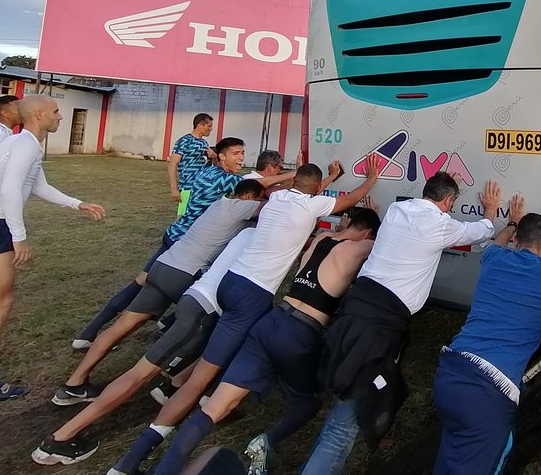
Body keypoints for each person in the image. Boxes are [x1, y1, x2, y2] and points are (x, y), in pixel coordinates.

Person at [108, 158, 381, 475]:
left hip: (231, 284)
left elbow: (309, 194)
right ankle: (146, 439)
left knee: (218, 371)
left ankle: (138, 450)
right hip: (256, 296)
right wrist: (371, 179)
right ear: (318, 191)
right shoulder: (316, 211)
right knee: (200, 382)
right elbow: (348, 200)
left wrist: (326, 179)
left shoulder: (279, 197)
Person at [300, 173, 503, 475]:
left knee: (348, 393)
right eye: (451, 202)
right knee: (342, 425)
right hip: (380, 326)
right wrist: (491, 209)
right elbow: (480, 231)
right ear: (448, 201)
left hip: (355, 307)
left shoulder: (396, 210)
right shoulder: (440, 225)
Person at [32, 226, 257, 466]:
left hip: (192, 297)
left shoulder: (245, 233)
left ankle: (172, 385)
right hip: (202, 313)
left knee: (186, 353)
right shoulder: (267, 243)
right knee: (138, 375)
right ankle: (61, 438)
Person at [53, 179, 265, 405]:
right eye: (260, 198)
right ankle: (173, 385)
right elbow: (275, 206)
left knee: (121, 326)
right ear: (249, 197)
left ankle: (73, 384)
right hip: (184, 274)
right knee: (208, 328)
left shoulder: (219, 204)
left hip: (163, 265)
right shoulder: (241, 207)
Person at [74, 138, 294, 350]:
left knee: (144, 284)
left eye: (242, 153)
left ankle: (94, 333)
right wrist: (295, 175)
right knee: (201, 290)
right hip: (186, 242)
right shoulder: (222, 178)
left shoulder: (208, 171)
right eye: (236, 153)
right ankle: (100, 333)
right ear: (221, 156)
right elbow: (258, 185)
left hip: (178, 233)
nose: (241, 158)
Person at [432, 195, 541, 475]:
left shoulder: (494, 257)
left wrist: (511, 223)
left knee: (453, 453)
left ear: (516, 242)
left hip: (451, 373)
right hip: (489, 390)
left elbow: (497, 242)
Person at [0, 94, 105, 403]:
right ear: (38, 114)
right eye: (56, 111)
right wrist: (18, 236)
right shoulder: (24, 145)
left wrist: (77, 204)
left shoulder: (22, 142)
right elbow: (10, 189)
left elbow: (38, 186)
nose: (60, 117)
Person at [169, 113, 214, 216]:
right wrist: (174, 189)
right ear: (200, 126)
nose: (211, 129)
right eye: (209, 126)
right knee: (183, 217)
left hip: (201, 187)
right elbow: (172, 164)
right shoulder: (184, 141)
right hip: (187, 187)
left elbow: (211, 165)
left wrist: (214, 156)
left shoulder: (204, 143)